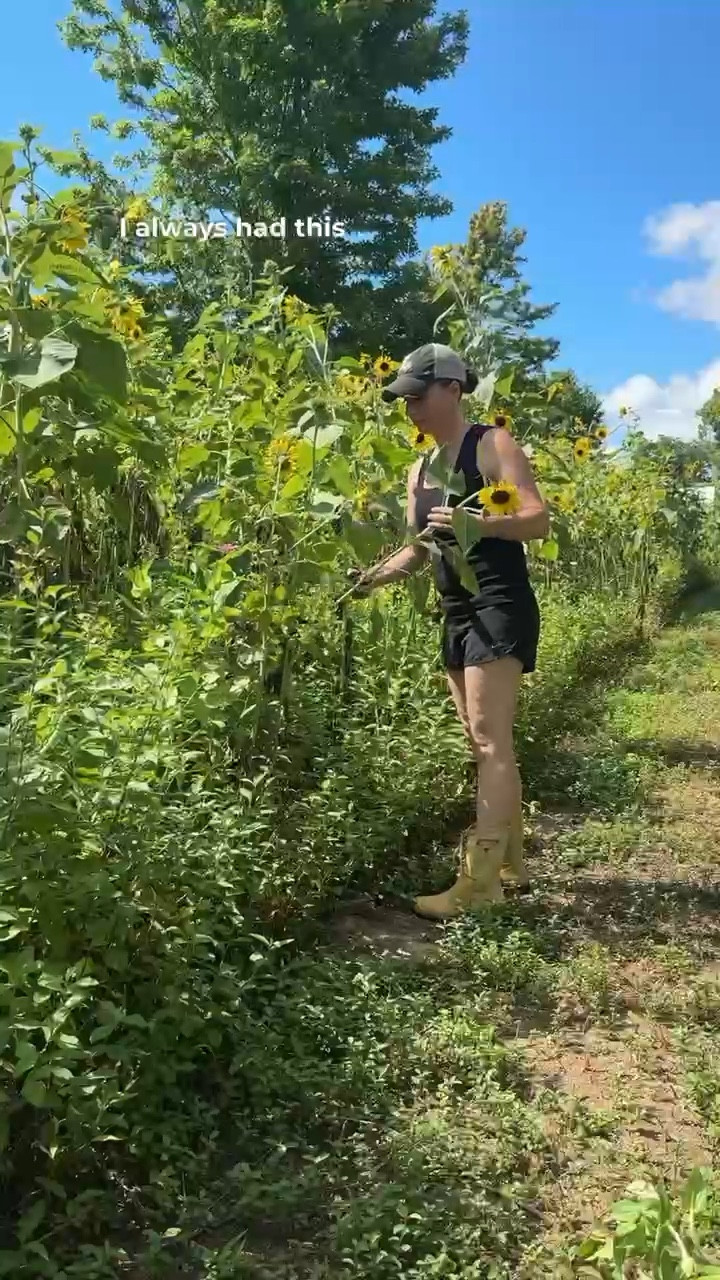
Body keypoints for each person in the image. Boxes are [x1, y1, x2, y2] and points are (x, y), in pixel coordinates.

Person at [353, 343, 548, 920]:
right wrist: (369, 579)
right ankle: (512, 864)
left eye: (417, 394)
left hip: (498, 602)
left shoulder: (491, 445)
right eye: (403, 398)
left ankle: (479, 883)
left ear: (453, 390)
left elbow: (536, 518)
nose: (408, 406)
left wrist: (479, 522)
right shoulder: (419, 468)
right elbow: (418, 551)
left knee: (491, 741)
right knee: (481, 742)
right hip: (455, 608)